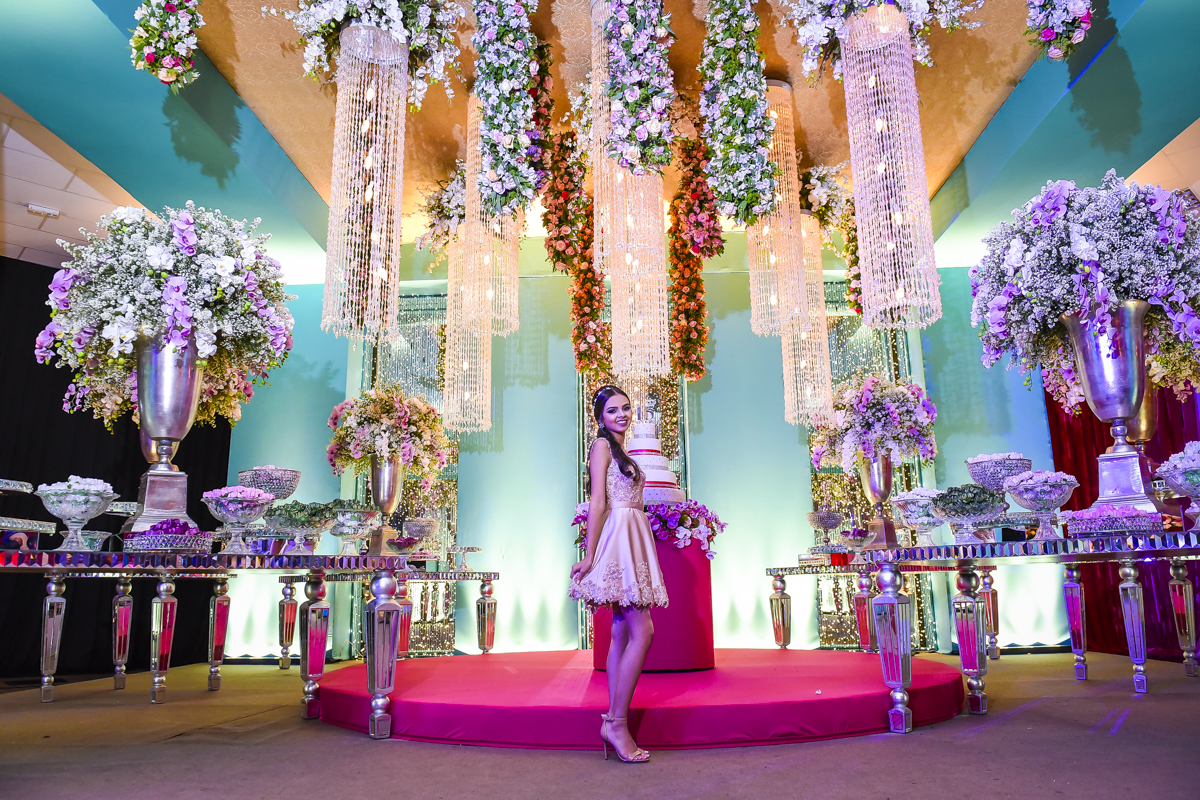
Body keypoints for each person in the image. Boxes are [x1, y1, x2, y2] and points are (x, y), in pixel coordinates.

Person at [569, 385, 668, 763]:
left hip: (633, 533)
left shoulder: (621, 449)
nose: (621, 414)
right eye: (612, 410)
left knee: (622, 631)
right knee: (643, 631)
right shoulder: (602, 446)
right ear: (599, 417)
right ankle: (616, 722)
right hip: (620, 536)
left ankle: (613, 719)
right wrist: (590, 554)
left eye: (625, 408)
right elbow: (598, 501)